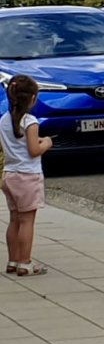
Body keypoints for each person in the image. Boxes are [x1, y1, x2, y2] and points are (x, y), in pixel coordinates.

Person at [2, 75, 52, 276]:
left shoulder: (4, 120)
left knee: (14, 219)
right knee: (27, 221)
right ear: (32, 98)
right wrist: (46, 143)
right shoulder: (30, 122)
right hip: (28, 176)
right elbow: (33, 150)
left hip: (10, 174)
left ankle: (13, 260)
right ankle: (25, 262)